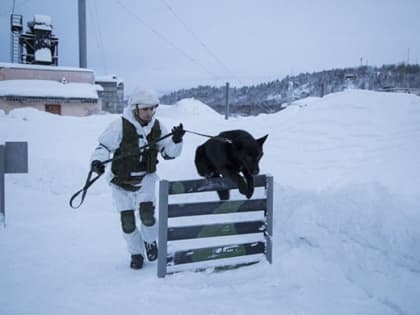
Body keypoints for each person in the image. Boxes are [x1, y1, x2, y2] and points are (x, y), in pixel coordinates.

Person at [90, 87, 185, 269]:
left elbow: (168, 153)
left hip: (146, 180)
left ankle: (150, 242)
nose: (149, 113)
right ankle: (136, 253)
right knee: (127, 222)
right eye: (145, 109)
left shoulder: (157, 127)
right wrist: (97, 162)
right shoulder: (119, 125)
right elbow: (102, 147)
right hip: (120, 183)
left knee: (147, 217)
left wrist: (176, 141)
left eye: (152, 109)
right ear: (135, 108)